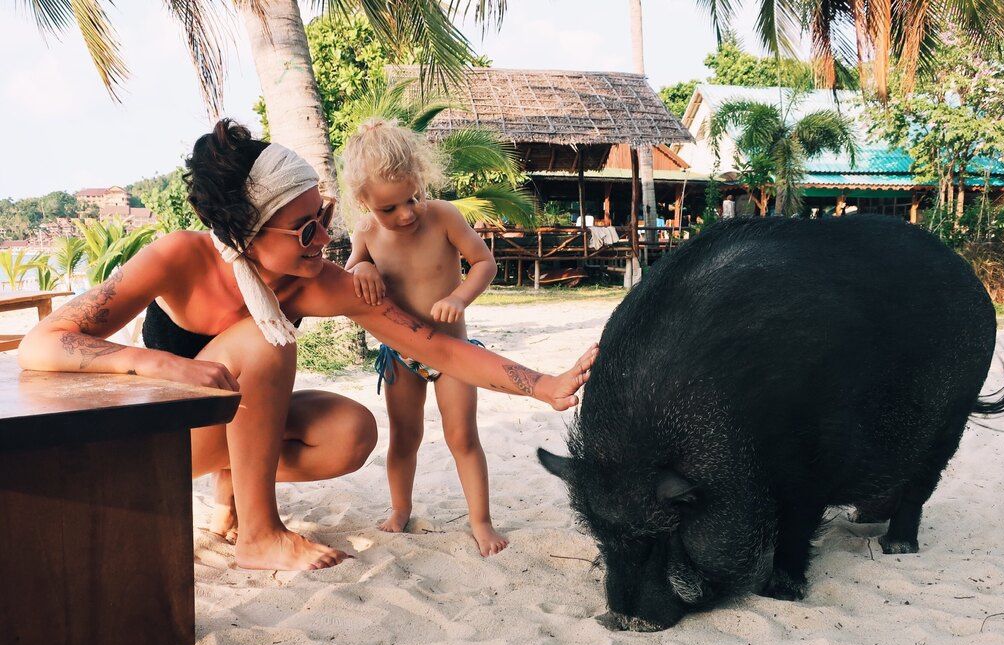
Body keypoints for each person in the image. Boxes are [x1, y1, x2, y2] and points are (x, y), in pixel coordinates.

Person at [18, 119, 597, 572]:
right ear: (247, 229)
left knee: (352, 433)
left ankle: (233, 482)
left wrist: (543, 385)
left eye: (321, 217)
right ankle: (259, 534)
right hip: (158, 441)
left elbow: (435, 348)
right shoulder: (180, 257)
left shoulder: (314, 282)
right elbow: (42, 343)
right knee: (266, 344)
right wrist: (157, 363)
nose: (325, 236)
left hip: (222, 429)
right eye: (304, 228)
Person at [340, 117, 512, 555]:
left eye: (412, 198)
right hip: (401, 355)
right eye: (389, 208)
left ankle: (481, 520)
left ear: (422, 180)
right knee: (405, 437)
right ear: (364, 202)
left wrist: (459, 298)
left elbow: (484, 263)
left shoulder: (443, 217)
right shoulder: (365, 232)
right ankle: (400, 509)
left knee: (462, 437)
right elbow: (351, 271)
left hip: (454, 353)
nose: (405, 213)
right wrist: (361, 267)